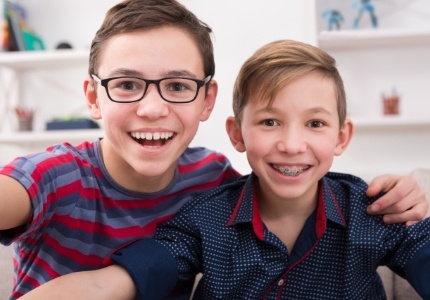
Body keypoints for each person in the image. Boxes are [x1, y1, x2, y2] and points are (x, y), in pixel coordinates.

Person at [1, 1, 428, 299]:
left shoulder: (212, 176)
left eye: (177, 85)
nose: (152, 109)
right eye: (127, 84)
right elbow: (115, 281)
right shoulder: (57, 174)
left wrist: (407, 193)